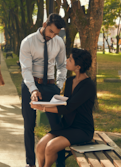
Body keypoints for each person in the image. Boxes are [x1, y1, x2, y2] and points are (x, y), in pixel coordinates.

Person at [31, 48, 95, 167]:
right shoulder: (70, 81)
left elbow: (68, 108)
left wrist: (42, 108)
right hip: (66, 125)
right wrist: (42, 104)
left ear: (78, 66)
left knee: (50, 147)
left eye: (70, 59)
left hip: (82, 128)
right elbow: (64, 103)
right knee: (40, 145)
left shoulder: (88, 86)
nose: (66, 60)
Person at [19, 13, 67, 167]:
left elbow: (62, 65)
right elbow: (25, 69)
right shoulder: (28, 41)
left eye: (56, 33)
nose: (52, 36)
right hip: (31, 85)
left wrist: (58, 86)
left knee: (57, 125)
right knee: (29, 125)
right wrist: (33, 89)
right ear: (45, 24)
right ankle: (30, 163)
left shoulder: (58, 42)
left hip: (52, 86)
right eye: (51, 31)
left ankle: (60, 162)